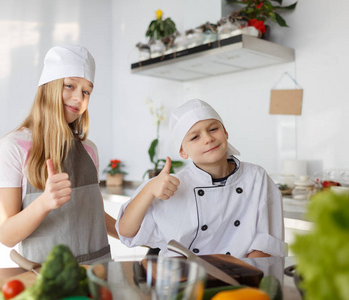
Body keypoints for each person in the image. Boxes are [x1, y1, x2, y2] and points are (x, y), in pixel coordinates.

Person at [0, 45, 118, 264]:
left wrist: (140, 236)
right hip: (46, 280)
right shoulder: (12, 147)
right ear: (48, 87)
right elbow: (6, 235)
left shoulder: (89, 150)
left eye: (86, 91)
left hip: (97, 276)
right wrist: (44, 203)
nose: (79, 97)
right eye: (69, 85)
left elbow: (95, 215)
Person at [117, 99, 287, 258]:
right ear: (183, 152)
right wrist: (148, 189)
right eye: (195, 137)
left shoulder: (256, 178)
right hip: (183, 278)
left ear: (225, 133)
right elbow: (126, 231)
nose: (208, 138)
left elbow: (266, 243)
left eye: (213, 129)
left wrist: (245, 278)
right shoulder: (172, 185)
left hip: (240, 277)